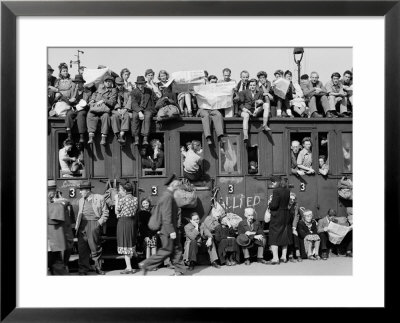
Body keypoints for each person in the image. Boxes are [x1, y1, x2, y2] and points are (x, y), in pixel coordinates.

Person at [138, 175, 187, 276]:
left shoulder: (169, 195)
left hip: (171, 228)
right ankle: (146, 263)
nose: (179, 186)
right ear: (173, 184)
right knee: (167, 250)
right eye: (177, 184)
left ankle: (179, 271)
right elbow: (166, 216)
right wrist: (171, 231)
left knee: (177, 249)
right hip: (168, 230)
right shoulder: (167, 197)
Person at [75, 181, 109, 275]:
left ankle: (98, 267)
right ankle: (83, 269)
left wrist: (99, 223)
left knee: (95, 248)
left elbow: (105, 212)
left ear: (88, 190)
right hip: (82, 225)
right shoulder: (81, 200)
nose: (80, 192)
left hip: (94, 224)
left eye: (82, 190)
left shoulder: (99, 198)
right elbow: (79, 214)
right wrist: (77, 226)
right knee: (82, 249)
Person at [47, 180, 74, 275]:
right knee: (57, 266)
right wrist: (63, 203)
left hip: (53, 244)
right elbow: (55, 216)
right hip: (52, 242)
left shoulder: (52, 202)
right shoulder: (54, 205)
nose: (54, 194)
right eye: (53, 191)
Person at [115, 181, 139, 274]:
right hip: (131, 222)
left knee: (125, 244)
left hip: (123, 222)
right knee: (129, 243)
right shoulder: (136, 199)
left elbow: (117, 212)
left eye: (120, 190)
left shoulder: (122, 199)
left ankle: (129, 267)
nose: (119, 191)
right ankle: (130, 264)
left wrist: (117, 200)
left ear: (125, 190)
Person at [268, 176, 293, 264]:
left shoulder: (276, 191)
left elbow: (274, 205)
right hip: (286, 214)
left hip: (277, 215)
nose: (272, 184)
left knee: (274, 235)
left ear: (277, 182)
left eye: (273, 182)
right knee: (284, 234)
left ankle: (275, 258)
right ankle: (283, 257)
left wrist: (269, 204)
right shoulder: (287, 190)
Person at [87, 75, 117, 145]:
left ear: (112, 82)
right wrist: (92, 100)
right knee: (90, 114)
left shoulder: (113, 90)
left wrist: (103, 100)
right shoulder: (100, 87)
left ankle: (104, 137)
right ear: (104, 82)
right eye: (106, 81)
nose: (108, 83)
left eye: (110, 81)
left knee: (106, 116)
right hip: (96, 107)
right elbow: (94, 94)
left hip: (105, 109)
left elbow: (112, 102)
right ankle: (91, 136)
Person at [239, 78, 271, 143]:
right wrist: (246, 110)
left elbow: (261, 102)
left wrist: (261, 102)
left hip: (255, 111)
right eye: (251, 85)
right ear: (248, 86)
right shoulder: (243, 92)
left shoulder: (260, 93)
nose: (252, 86)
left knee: (266, 105)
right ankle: (245, 135)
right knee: (246, 116)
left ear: (256, 86)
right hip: (245, 111)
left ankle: (264, 125)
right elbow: (240, 104)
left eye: (253, 85)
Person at [129, 76, 158, 146]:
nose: (141, 85)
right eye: (139, 84)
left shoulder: (149, 91)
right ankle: (136, 138)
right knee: (135, 116)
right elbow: (133, 103)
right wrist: (139, 112)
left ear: (144, 84)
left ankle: (145, 138)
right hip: (137, 109)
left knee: (147, 116)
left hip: (148, 108)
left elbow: (156, 98)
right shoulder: (133, 92)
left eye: (142, 84)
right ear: (137, 84)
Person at [65, 74, 92, 143]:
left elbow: (89, 103)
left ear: (82, 83)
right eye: (76, 83)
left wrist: (85, 105)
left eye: (79, 83)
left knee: (81, 115)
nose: (77, 84)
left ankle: (81, 136)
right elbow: (68, 101)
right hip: (74, 108)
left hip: (83, 109)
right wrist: (72, 98)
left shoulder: (88, 92)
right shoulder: (72, 91)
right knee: (69, 114)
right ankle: (69, 135)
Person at [111, 77, 131, 145]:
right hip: (117, 109)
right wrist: (118, 108)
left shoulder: (127, 92)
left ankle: (121, 135)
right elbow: (113, 101)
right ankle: (117, 135)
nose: (120, 86)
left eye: (121, 84)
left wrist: (125, 109)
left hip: (125, 109)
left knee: (126, 116)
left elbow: (129, 101)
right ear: (116, 84)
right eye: (118, 85)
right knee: (114, 117)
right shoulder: (113, 91)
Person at [288, 193, 302, 262]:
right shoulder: (285, 205)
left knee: (295, 235)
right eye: (291, 199)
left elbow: (296, 217)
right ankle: (290, 255)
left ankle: (297, 253)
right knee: (290, 234)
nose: (292, 200)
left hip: (293, 224)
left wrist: (294, 228)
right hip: (286, 224)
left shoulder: (295, 205)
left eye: (293, 199)